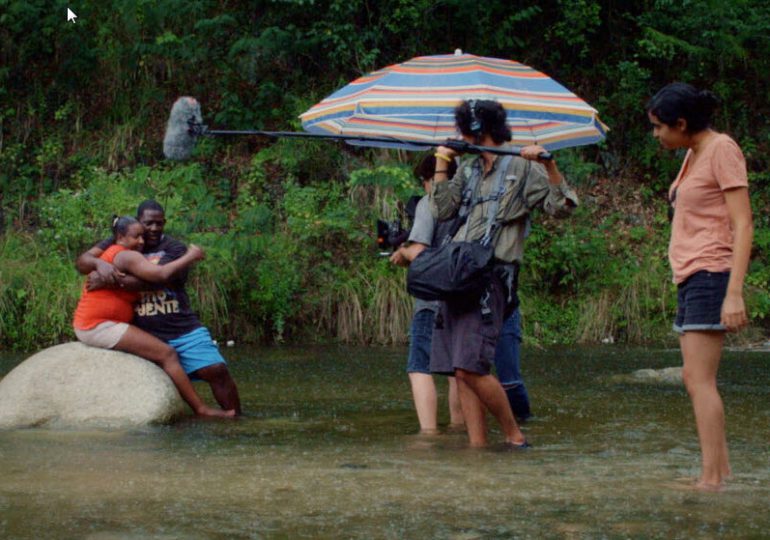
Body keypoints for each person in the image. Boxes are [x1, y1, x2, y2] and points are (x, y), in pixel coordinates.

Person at [430, 99, 578, 447]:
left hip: (492, 277)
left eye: (466, 132)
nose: (463, 137)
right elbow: (441, 210)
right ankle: (477, 447)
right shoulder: (467, 169)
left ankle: (515, 436)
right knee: (459, 368)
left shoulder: (521, 167)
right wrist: (442, 162)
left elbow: (562, 207)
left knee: (471, 367)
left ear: (481, 131)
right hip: (458, 274)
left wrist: (549, 165)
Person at [647, 82, 752, 490]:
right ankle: (720, 471)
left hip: (712, 272)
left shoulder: (722, 149)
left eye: (659, 127)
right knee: (695, 378)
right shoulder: (692, 153)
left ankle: (711, 479)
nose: (656, 134)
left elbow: (742, 223)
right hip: (692, 274)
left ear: (682, 123)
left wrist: (735, 292)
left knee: (699, 379)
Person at [76, 200, 242, 415]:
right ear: (137, 223)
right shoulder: (125, 240)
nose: (153, 229)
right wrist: (99, 264)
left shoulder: (174, 248)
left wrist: (113, 280)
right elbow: (82, 262)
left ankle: (236, 422)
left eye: (159, 223)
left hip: (180, 326)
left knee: (216, 369)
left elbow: (160, 279)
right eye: (148, 224)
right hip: (144, 329)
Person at [390, 154, 464, 432]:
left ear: (429, 180)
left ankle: (429, 434)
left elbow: (420, 250)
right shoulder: (468, 202)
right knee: (457, 371)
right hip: (463, 297)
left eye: (424, 181)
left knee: (419, 366)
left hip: (432, 301)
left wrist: (402, 251)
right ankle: (459, 429)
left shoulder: (429, 203)